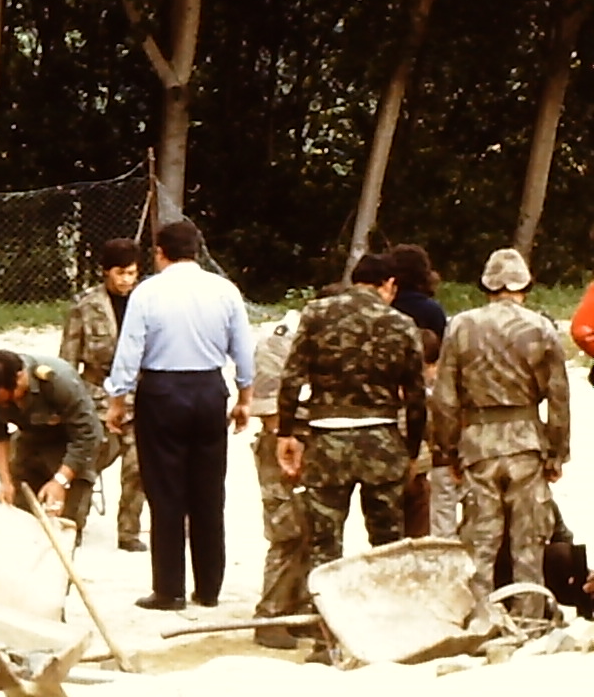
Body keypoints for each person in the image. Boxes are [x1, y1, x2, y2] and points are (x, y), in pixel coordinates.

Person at [103, 219, 254, 611]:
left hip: (162, 391)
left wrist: (118, 401)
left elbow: (130, 349)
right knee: (208, 490)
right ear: (197, 250)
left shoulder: (147, 293)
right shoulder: (225, 290)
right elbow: (243, 349)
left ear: (159, 252)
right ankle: (209, 588)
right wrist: (244, 397)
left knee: (166, 492)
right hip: (208, 390)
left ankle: (169, 589)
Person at [275, 254, 426, 602]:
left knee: (324, 545)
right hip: (381, 439)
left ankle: (324, 628)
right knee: (387, 543)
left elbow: (292, 378)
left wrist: (287, 432)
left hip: (327, 439)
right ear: (389, 285)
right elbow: (416, 396)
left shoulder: (315, 315)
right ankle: (389, 620)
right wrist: (412, 450)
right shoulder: (401, 323)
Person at [430, 247, 571, 604]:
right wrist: (557, 453)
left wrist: (446, 451)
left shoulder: (460, 326)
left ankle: (480, 614)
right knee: (529, 542)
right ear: (526, 284)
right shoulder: (541, 327)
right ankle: (530, 615)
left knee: (480, 541)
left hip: (477, 443)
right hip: (526, 441)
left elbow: (445, 398)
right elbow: (558, 398)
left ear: (486, 285)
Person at [59, 237, 148, 551]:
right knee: (88, 459)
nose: (126, 280)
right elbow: (67, 359)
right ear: (106, 272)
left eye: (132, 273)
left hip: (139, 394)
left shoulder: (146, 302)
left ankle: (129, 532)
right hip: (97, 392)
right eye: (120, 273)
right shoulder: (85, 306)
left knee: (138, 466)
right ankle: (74, 523)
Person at [0, 348, 102, 535]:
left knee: (63, 521)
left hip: (71, 443)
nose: (3, 406)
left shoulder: (59, 381)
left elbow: (88, 435)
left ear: (20, 377)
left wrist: (60, 481)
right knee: (19, 517)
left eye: (8, 400)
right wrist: (5, 481)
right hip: (30, 439)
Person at [246, 308, 306, 647]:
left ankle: (296, 609)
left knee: (309, 529)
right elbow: (268, 405)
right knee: (286, 531)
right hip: (280, 445)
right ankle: (270, 616)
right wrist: (281, 437)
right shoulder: (278, 342)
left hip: (303, 440)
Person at [389, 244, 453, 537]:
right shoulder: (431, 310)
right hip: (421, 398)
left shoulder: (385, 307)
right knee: (420, 482)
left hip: (387, 400)